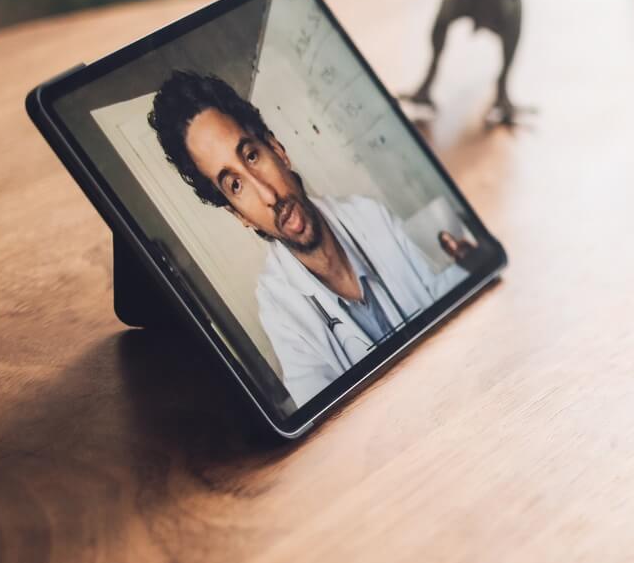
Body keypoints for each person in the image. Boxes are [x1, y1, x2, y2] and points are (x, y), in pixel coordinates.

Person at [148, 69, 468, 405]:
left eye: (252, 156)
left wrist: (466, 266)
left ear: (278, 150)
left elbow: (440, 291)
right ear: (238, 214)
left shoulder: (368, 214)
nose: (269, 196)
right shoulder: (278, 309)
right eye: (236, 186)